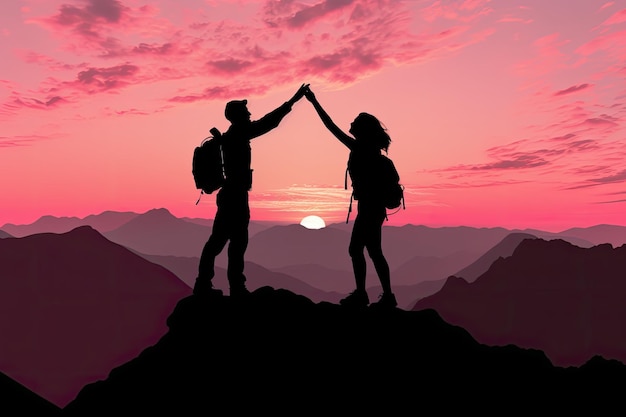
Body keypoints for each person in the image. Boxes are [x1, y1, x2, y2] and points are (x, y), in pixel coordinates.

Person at [194, 84, 310, 298]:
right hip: (235, 196)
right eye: (245, 111)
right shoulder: (238, 134)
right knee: (233, 242)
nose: (249, 114)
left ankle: (209, 283)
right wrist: (293, 100)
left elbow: (266, 122)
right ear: (237, 116)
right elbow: (269, 122)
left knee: (221, 241)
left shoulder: (233, 135)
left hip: (232, 194)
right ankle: (231, 286)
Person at [303, 86, 398, 309]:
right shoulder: (371, 151)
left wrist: (314, 102)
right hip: (373, 207)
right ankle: (384, 295)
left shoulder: (359, 148)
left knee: (358, 250)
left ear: (362, 130)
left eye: (355, 122)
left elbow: (330, 126)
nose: (350, 124)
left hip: (369, 207)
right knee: (373, 251)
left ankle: (364, 294)